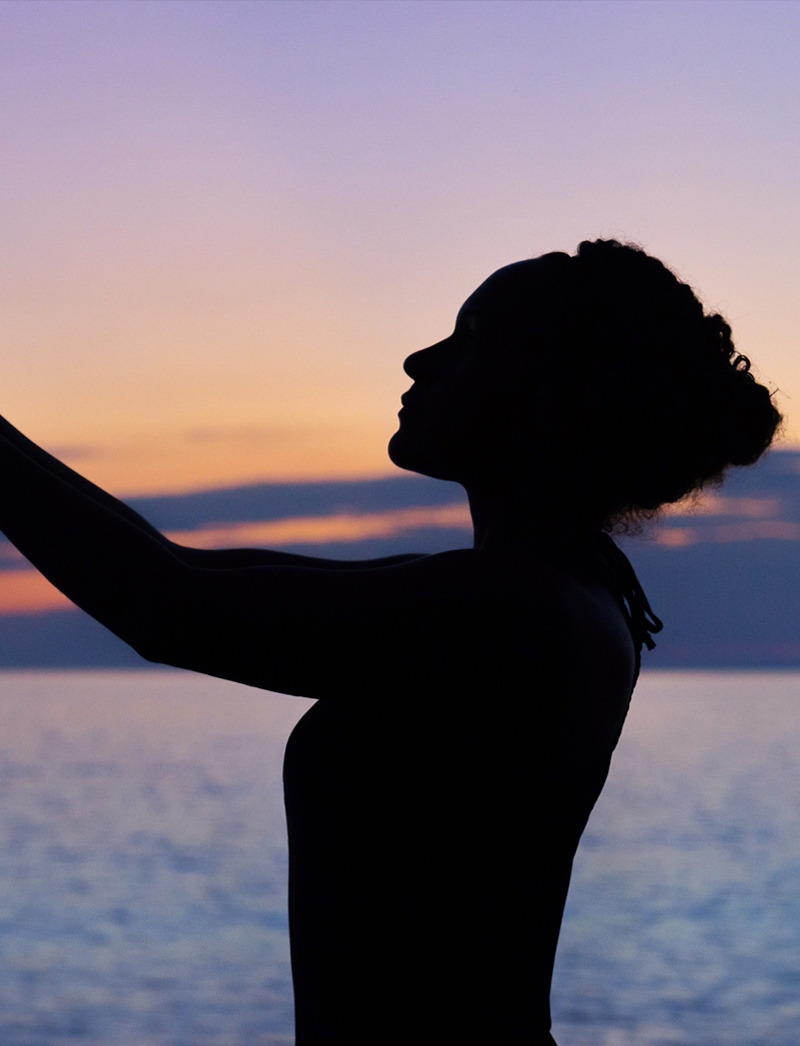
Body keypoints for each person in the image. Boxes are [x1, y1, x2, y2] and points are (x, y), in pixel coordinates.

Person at [0, 239, 781, 1044]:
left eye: (471, 337)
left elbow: (166, 608)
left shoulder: (511, 610)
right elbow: (178, 576)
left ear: (550, 390)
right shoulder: (536, 589)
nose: (420, 359)